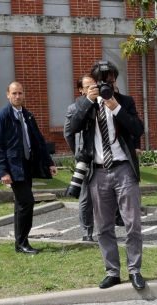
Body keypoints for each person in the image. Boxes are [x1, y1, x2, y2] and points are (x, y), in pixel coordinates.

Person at [68, 60, 146, 290]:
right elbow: (72, 126)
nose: (105, 84)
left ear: (115, 80)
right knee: (103, 227)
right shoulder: (85, 105)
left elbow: (138, 129)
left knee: (132, 223)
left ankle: (135, 270)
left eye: (109, 80)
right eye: (101, 80)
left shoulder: (125, 102)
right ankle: (112, 271)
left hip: (124, 170)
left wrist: (115, 107)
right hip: (98, 173)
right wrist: (89, 100)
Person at [0, 81, 57, 254]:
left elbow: (39, 141)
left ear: (24, 94)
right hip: (14, 168)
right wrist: (2, 171)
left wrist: (49, 162)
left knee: (21, 204)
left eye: (20, 93)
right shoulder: (2, 116)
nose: (17, 96)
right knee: (27, 202)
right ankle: (22, 243)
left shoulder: (27, 115)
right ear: (8, 95)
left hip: (27, 165)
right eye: (14, 93)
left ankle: (20, 242)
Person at [64, 75, 97, 242]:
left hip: (104, 158)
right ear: (81, 90)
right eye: (88, 86)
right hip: (86, 158)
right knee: (86, 197)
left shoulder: (103, 104)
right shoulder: (74, 108)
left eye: (94, 85)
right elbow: (68, 133)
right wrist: (78, 152)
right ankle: (87, 232)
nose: (92, 88)